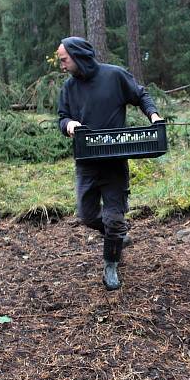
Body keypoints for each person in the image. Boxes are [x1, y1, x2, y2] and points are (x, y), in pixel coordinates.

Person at [57, 37, 163, 291]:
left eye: (64, 60)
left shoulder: (114, 76)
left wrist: (155, 116)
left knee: (114, 219)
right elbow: (62, 117)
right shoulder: (69, 88)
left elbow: (141, 95)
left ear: (77, 56)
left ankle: (111, 265)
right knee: (86, 214)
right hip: (87, 162)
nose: (61, 65)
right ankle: (116, 236)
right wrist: (70, 125)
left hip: (115, 161)